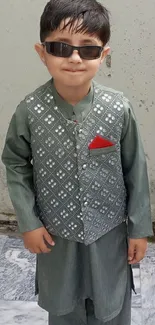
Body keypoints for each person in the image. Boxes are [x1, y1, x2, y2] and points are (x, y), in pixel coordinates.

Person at [1, 0, 153, 324]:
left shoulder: (118, 109)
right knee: (63, 304)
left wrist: (139, 228)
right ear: (42, 53)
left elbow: (135, 170)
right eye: (60, 47)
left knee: (111, 304)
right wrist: (28, 221)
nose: (74, 58)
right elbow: (15, 162)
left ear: (104, 55)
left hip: (109, 235)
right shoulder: (30, 111)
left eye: (88, 50)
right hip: (56, 238)